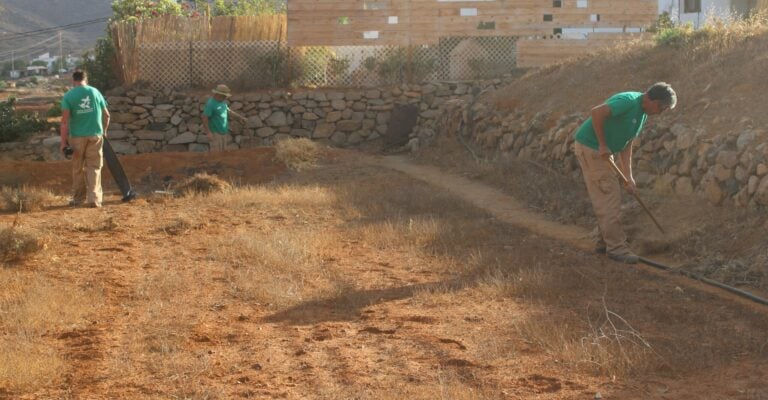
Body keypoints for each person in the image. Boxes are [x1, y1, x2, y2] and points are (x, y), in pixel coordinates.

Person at [573, 82, 677, 264]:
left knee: (608, 196)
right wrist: (603, 145)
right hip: (591, 148)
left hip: (603, 151)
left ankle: (604, 242)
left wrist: (629, 177)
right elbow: (596, 112)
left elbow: (626, 144)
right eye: (661, 108)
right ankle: (617, 249)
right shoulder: (628, 102)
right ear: (652, 100)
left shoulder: (642, 114)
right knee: (608, 198)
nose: (661, 112)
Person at [60, 70, 110, 208]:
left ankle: (78, 200)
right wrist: (104, 131)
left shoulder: (68, 96)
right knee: (94, 167)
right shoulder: (95, 92)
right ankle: (94, 199)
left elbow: (64, 122)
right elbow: (107, 115)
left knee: (77, 168)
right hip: (95, 135)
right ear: (86, 79)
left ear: (73, 80)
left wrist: (63, 143)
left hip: (76, 138)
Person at [202, 84, 246, 152]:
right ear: (219, 94)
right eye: (224, 96)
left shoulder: (222, 102)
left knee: (223, 154)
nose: (226, 97)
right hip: (215, 133)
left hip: (223, 132)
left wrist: (239, 118)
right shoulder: (211, 104)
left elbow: (228, 111)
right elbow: (204, 117)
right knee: (216, 155)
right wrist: (208, 132)